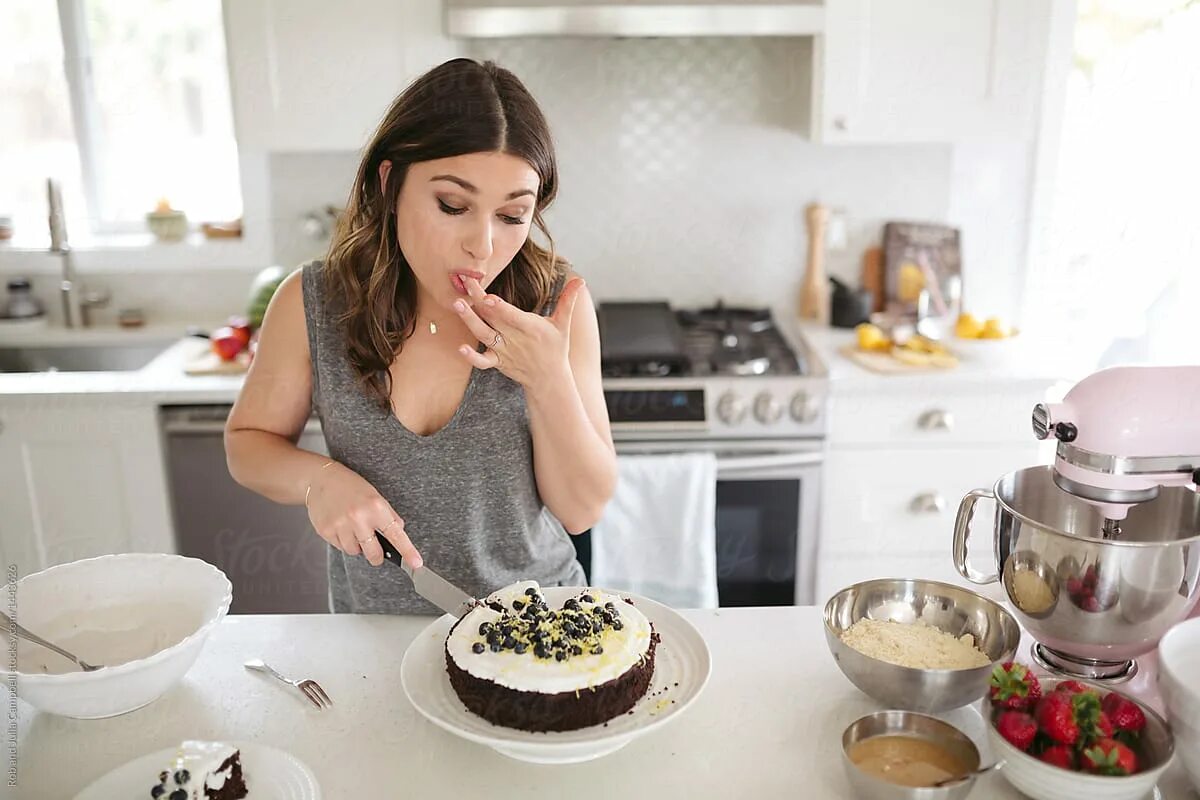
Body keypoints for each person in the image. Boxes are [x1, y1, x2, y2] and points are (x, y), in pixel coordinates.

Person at [224, 58, 617, 614]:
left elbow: (581, 511)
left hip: (537, 633)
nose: (482, 245)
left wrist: (547, 378)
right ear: (391, 183)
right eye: (453, 206)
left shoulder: (556, 306)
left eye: (512, 215)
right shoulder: (312, 302)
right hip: (374, 641)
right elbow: (248, 444)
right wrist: (320, 481)